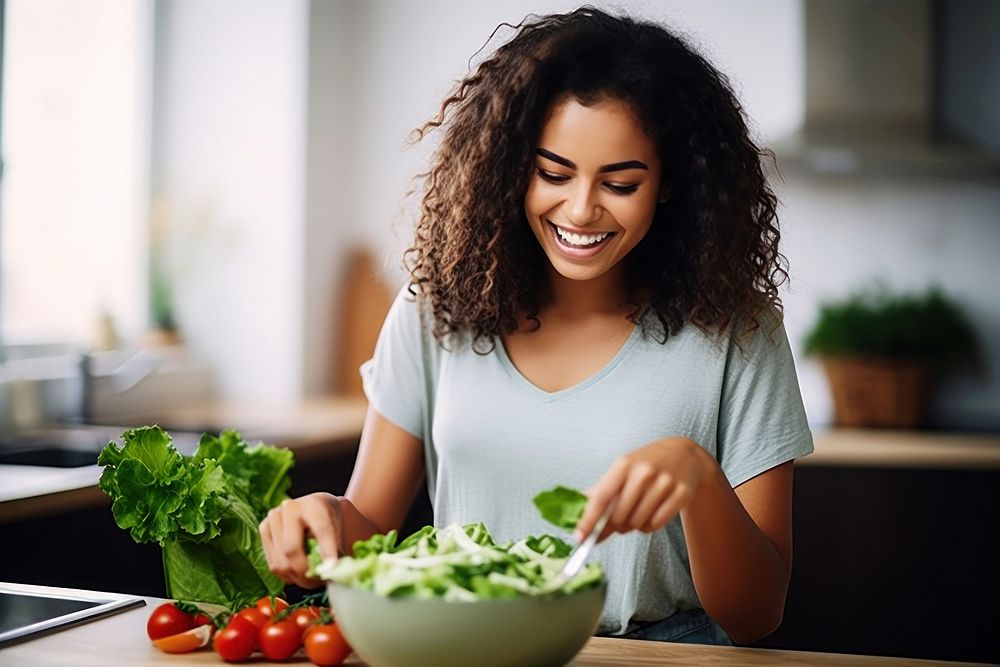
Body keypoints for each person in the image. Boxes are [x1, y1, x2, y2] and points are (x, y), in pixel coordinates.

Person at [259, 7, 813, 646]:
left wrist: (697, 477)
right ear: (509, 167)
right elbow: (369, 529)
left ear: (669, 184)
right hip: (465, 649)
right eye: (553, 173)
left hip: (659, 658)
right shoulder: (434, 309)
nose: (580, 209)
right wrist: (323, 520)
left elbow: (757, 613)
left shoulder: (735, 332)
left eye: (621, 182)